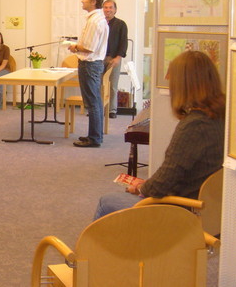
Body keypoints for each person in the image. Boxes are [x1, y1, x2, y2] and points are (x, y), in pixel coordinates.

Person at [93, 51, 225, 219]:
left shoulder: (193, 127)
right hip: (204, 205)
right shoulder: (219, 117)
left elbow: (162, 185)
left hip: (181, 209)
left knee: (107, 202)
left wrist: (141, 188)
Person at [68, 0, 109, 148]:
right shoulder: (97, 19)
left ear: (93, 1)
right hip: (93, 64)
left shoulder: (94, 21)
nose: (82, 0)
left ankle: (94, 138)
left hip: (90, 64)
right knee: (95, 102)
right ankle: (95, 135)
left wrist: (74, 47)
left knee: (92, 103)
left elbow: (89, 47)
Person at [103, 0, 128, 119]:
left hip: (114, 58)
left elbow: (123, 43)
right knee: (97, 85)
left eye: (110, 7)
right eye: (106, 7)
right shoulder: (99, 23)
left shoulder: (120, 24)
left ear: (115, 10)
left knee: (112, 85)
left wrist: (118, 57)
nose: (108, 10)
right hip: (99, 59)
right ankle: (98, 109)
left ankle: (112, 110)